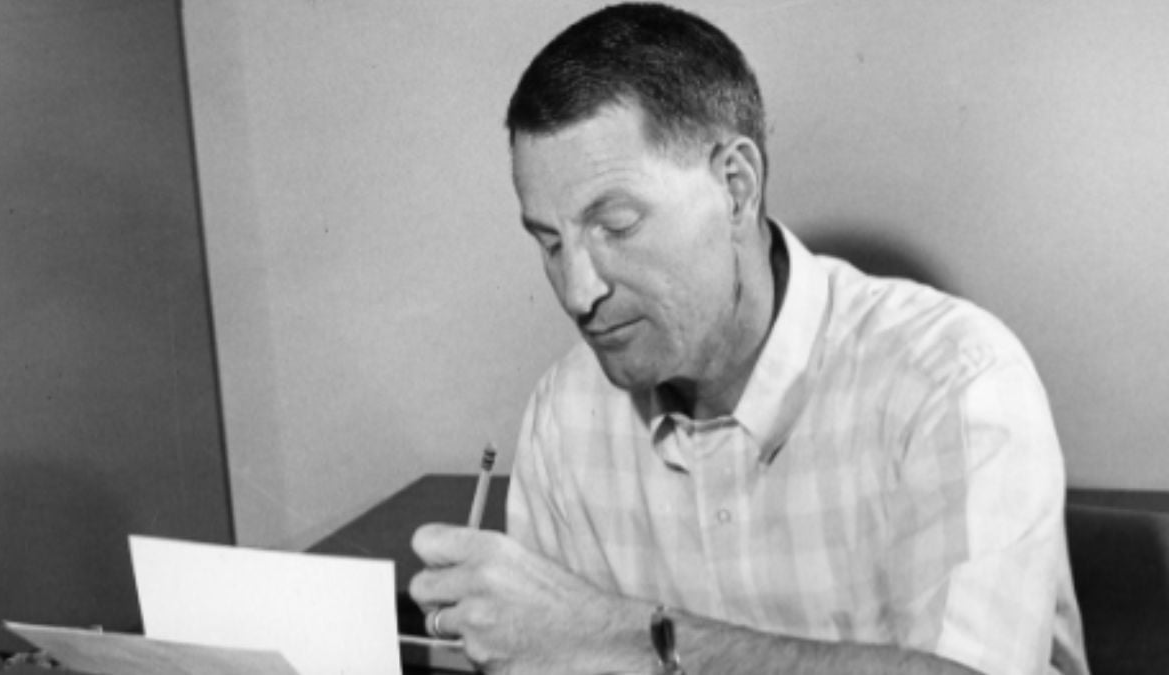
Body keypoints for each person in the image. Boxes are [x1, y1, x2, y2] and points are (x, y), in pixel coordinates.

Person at [408, 3, 1088, 674]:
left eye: (614, 226)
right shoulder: (564, 412)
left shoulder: (954, 380)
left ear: (736, 186)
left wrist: (620, 636)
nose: (578, 291)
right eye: (550, 243)